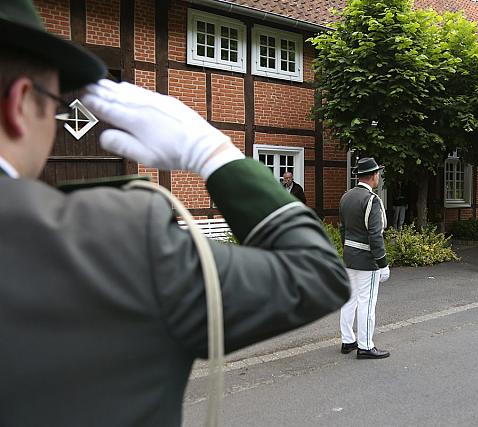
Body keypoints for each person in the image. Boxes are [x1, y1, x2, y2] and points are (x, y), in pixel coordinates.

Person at [0, 2, 349, 426]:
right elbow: (316, 273)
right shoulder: (117, 239)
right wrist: (213, 151)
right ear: (20, 103)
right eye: (55, 103)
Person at [339, 157, 391, 359]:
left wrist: (347, 250)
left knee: (349, 299)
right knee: (367, 302)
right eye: (378, 173)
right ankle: (365, 345)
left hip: (349, 256)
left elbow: (343, 229)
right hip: (367, 260)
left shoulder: (346, 197)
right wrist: (383, 263)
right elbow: (375, 235)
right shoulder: (371, 200)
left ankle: (347, 340)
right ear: (373, 175)